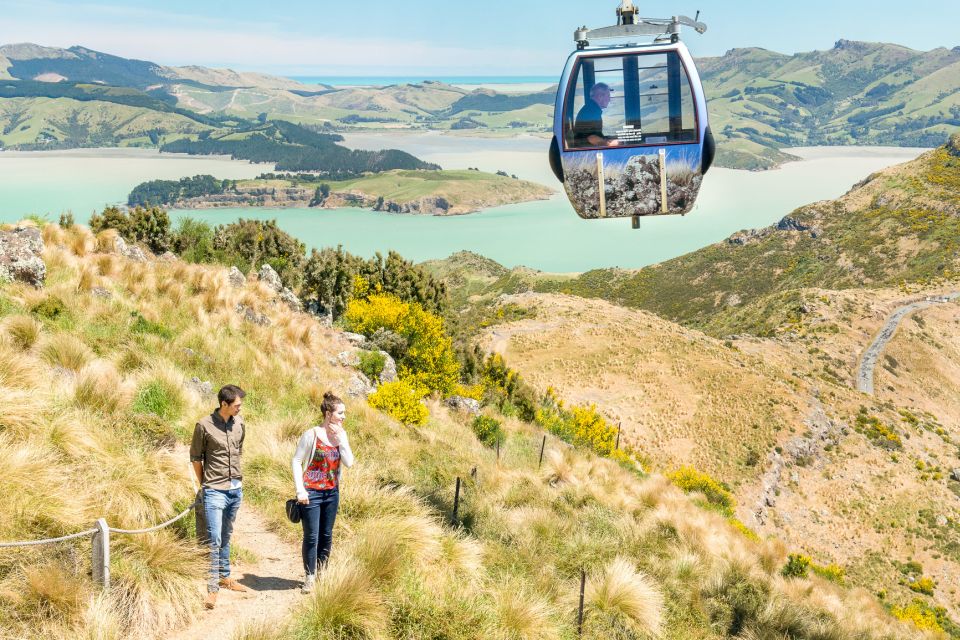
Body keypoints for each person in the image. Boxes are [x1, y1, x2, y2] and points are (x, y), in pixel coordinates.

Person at [190, 384, 251, 610]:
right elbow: (196, 458)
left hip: (235, 489)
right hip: (214, 489)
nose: (239, 408)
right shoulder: (203, 426)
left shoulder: (240, 424)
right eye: (236, 405)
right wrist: (205, 484)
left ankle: (225, 576)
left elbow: (239, 451)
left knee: (226, 534)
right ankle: (212, 586)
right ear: (224, 404)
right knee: (214, 539)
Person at [291, 391, 355, 594]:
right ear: (328, 414)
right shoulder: (311, 435)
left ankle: (321, 572)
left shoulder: (340, 436)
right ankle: (309, 576)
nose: (344, 417)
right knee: (311, 536)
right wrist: (300, 489)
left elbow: (349, 463)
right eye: (340, 413)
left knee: (326, 535)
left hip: (332, 493)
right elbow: (296, 460)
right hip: (311, 493)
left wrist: (342, 439)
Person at [573, 82, 621, 148]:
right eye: (608, 96)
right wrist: (609, 144)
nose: (609, 100)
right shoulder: (591, 112)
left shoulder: (591, 109)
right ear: (600, 96)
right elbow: (591, 137)